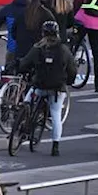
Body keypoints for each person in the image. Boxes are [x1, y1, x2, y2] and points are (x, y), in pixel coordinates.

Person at [16, 20, 78, 156]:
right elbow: (72, 69)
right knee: (55, 114)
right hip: (57, 88)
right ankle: (55, 145)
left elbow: (25, 62)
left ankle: (23, 118)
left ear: (43, 33)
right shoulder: (63, 49)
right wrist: (69, 81)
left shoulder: (38, 47)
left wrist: (21, 68)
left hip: (40, 85)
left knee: (28, 99)